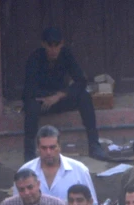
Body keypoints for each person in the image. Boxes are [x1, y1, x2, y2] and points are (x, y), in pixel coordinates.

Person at [22, 27, 106, 162]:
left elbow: (81, 80)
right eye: (50, 46)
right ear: (44, 44)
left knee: (84, 96)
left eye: (57, 46)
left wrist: (60, 95)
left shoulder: (66, 55)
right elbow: (28, 90)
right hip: (42, 101)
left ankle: (94, 145)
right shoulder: (35, 58)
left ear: (62, 44)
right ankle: (29, 153)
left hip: (60, 98)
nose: (54, 50)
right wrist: (47, 97)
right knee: (31, 106)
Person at [18, 125, 98, 205]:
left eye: (52, 147)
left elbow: (92, 204)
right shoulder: (25, 171)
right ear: (38, 148)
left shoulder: (79, 170)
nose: (48, 152)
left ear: (59, 147)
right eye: (44, 148)